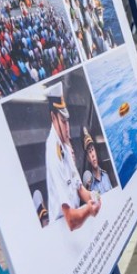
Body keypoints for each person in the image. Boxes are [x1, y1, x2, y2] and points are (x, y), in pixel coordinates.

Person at [44, 82, 100, 230]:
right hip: (61, 232)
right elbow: (70, 220)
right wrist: (89, 209)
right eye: (63, 122)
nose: (68, 129)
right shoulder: (53, 152)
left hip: (77, 223)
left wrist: (94, 198)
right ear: (53, 118)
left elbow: (79, 188)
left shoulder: (65, 146)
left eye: (67, 121)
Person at [82, 126, 114, 195]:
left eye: (93, 150)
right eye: (89, 152)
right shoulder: (90, 186)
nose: (92, 155)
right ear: (88, 158)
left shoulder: (106, 175)